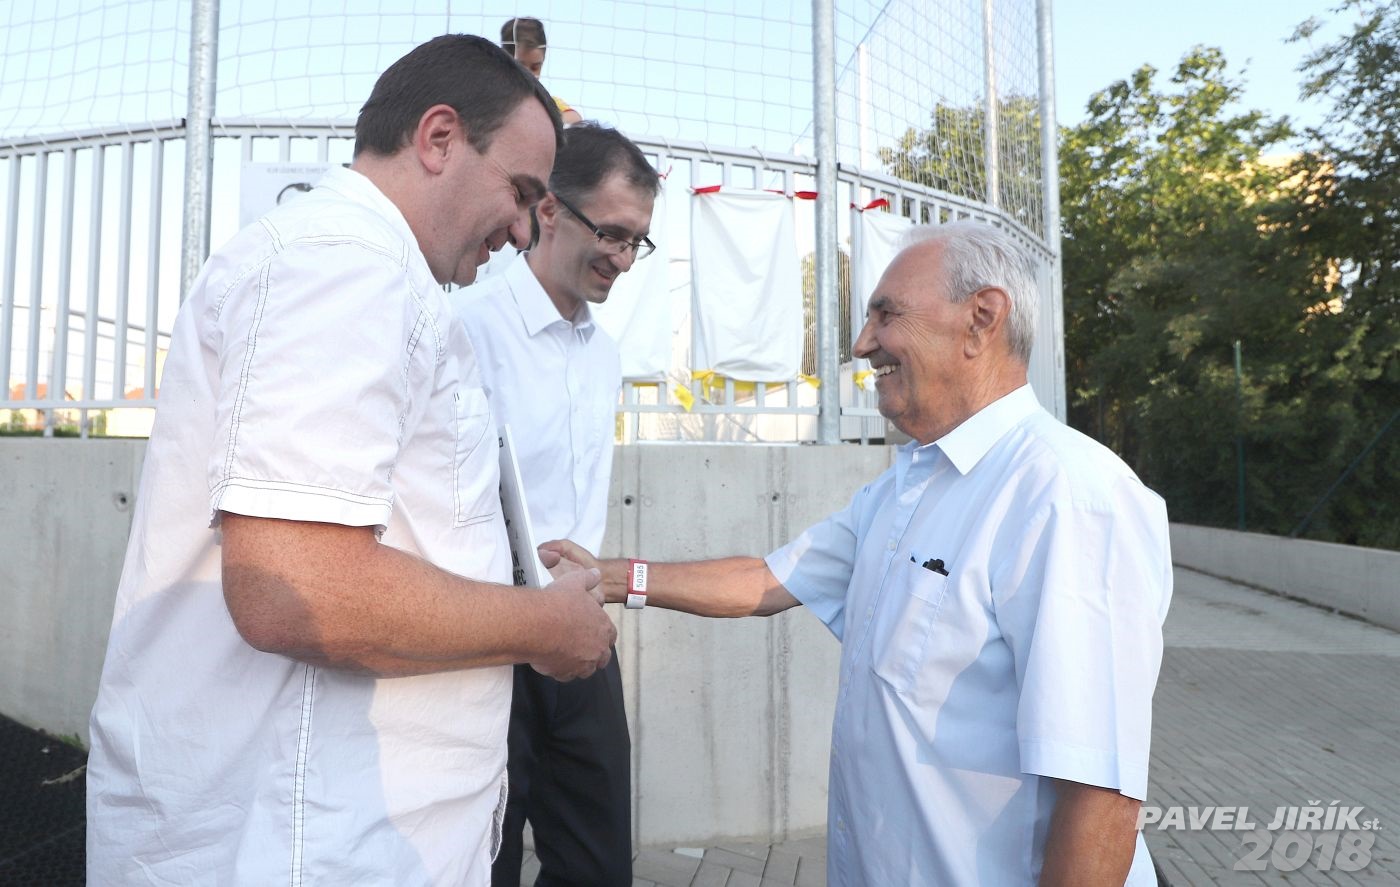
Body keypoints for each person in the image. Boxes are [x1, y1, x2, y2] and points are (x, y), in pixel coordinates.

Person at [85, 34, 618, 886]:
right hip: (300, 847)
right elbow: (298, 588)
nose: (524, 230)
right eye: (520, 192)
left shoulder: (369, 268)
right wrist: (545, 626)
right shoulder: (344, 264)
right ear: (438, 138)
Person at [546, 221, 1173, 885]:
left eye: (886, 314)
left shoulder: (1069, 498)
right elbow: (766, 579)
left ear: (982, 319)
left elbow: (1100, 793)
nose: (862, 343)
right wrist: (606, 578)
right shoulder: (908, 487)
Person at [455, 122, 660, 887]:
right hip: (488, 638)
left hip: (578, 631)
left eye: (637, 241)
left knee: (598, 863)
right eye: (611, 233)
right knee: (485, 861)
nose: (623, 258)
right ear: (548, 210)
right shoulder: (469, 329)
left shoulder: (603, 353)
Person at [501, 16, 583, 125]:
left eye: (535, 68)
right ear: (504, 61)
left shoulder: (545, 102)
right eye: (521, 67)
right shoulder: (492, 98)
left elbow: (574, 118)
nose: (529, 75)